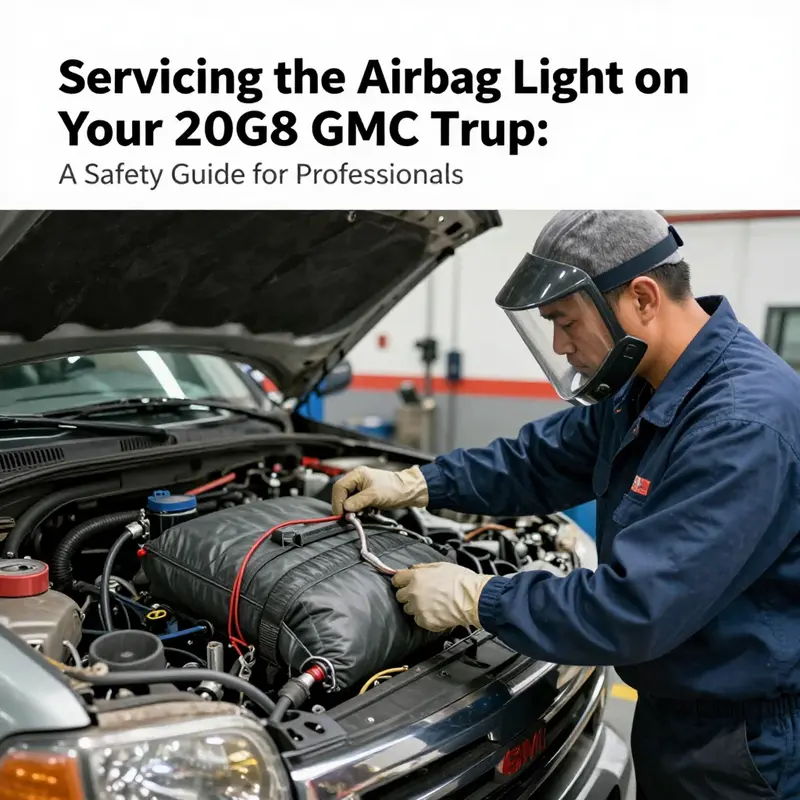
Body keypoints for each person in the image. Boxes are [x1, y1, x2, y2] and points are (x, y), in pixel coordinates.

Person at [331, 210, 800, 800]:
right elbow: (536, 461)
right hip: (676, 708)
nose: (558, 344)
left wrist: (480, 598)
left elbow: (636, 609)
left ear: (643, 298)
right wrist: (418, 483)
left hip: (742, 743)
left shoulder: (738, 422)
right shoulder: (644, 386)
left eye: (565, 321)